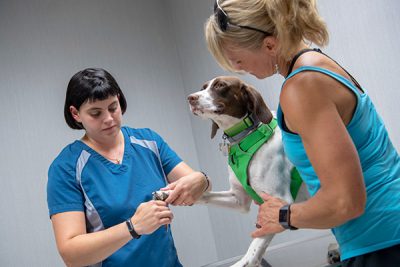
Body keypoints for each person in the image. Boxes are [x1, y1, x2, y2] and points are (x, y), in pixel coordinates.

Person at [204, 0, 400, 266]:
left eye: (237, 60)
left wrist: (284, 215)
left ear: (270, 45)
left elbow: (346, 202)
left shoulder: (303, 86)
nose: (238, 69)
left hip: (381, 243)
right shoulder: (317, 65)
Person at [47, 67, 210, 267]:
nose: (108, 118)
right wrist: (133, 227)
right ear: (76, 114)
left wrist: (202, 180)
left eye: (113, 107)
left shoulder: (149, 141)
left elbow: (197, 188)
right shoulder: (67, 167)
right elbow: (71, 255)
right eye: (95, 113)